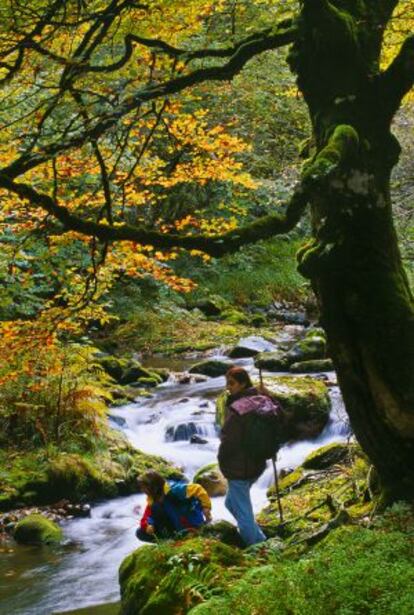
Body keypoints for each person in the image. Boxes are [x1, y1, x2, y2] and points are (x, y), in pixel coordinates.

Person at [218, 366, 280, 546]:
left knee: (243, 513)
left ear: (243, 383)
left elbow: (229, 439)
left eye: (232, 383)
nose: (228, 387)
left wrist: (223, 460)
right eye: (227, 383)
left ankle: (260, 547)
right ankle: (254, 532)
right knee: (231, 503)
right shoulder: (262, 399)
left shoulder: (239, 408)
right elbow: (281, 420)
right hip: (257, 463)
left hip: (239, 467)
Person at [136, 470, 212, 542]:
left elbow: (198, 489)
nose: (142, 490)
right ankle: (171, 540)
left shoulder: (174, 489)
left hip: (190, 522)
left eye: (143, 487)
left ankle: (189, 534)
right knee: (140, 532)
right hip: (174, 527)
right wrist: (149, 525)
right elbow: (148, 516)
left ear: (153, 486)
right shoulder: (152, 499)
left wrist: (206, 507)